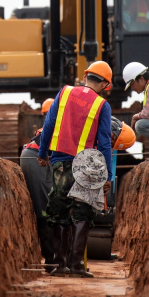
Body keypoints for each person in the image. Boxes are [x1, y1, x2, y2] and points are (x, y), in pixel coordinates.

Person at [37, 61, 114, 278]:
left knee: (59, 211)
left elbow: (49, 125)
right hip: (87, 165)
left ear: (86, 76)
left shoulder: (65, 92)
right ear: (105, 85)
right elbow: (105, 142)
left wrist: (43, 154)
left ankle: (59, 265)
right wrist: (106, 175)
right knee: (83, 213)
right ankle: (77, 265)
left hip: (60, 161)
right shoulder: (102, 105)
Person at [20, 98, 55, 272]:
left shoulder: (50, 127)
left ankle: (53, 258)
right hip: (34, 158)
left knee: (46, 206)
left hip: (32, 157)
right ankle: (50, 261)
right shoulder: (54, 127)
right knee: (44, 210)